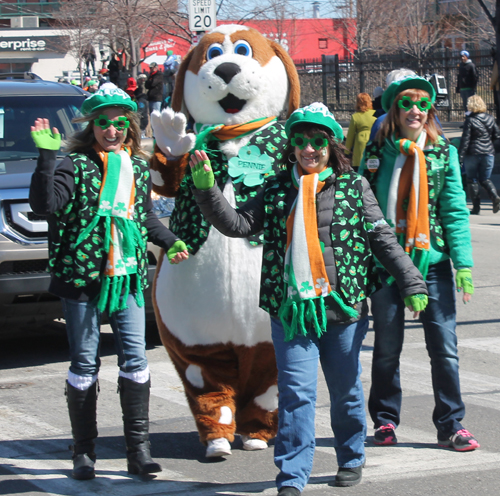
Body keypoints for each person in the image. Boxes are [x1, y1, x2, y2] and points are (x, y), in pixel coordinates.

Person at [189, 102, 428, 494]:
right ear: (292, 147)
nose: (308, 149)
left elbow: (383, 239)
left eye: (317, 141)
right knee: (297, 395)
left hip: (343, 310)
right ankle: (292, 475)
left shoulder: (355, 187)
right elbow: (237, 224)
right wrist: (207, 190)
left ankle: (351, 457)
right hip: (292, 312)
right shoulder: (277, 187)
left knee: (346, 392)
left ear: (331, 145)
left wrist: (412, 282)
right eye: (300, 141)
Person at [28, 87, 189, 480]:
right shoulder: (74, 164)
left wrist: (169, 240)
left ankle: (139, 452)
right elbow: (44, 206)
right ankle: (84, 453)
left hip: (127, 275)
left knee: (135, 360)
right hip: (82, 278)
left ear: (129, 127)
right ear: (91, 126)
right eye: (104, 123)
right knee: (85, 362)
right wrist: (47, 157)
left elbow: (142, 218)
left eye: (119, 123)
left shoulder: (134, 165)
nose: (112, 130)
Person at [359, 75, 479, 453]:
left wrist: (463, 264)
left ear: (429, 110)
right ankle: (385, 420)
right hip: (388, 263)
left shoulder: (442, 152)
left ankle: (451, 423)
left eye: (423, 104)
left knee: (444, 347)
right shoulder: (378, 151)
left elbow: (455, 209)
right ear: (395, 108)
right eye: (408, 103)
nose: (415, 110)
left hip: (434, 262)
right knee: (388, 346)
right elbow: (362, 207)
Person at [458, 94, 500, 214]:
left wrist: (460, 157)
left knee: (471, 180)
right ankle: (494, 197)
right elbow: (496, 136)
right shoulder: (490, 118)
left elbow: (465, 140)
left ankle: (476, 208)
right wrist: (490, 147)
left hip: (473, 153)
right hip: (488, 154)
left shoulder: (470, 120)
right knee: (485, 179)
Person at [345, 92, 376, 170]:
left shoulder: (355, 117)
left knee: (358, 167)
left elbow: (350, 136)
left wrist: (346, 152)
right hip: (373, 141)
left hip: (359, 144)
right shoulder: (375, 114)